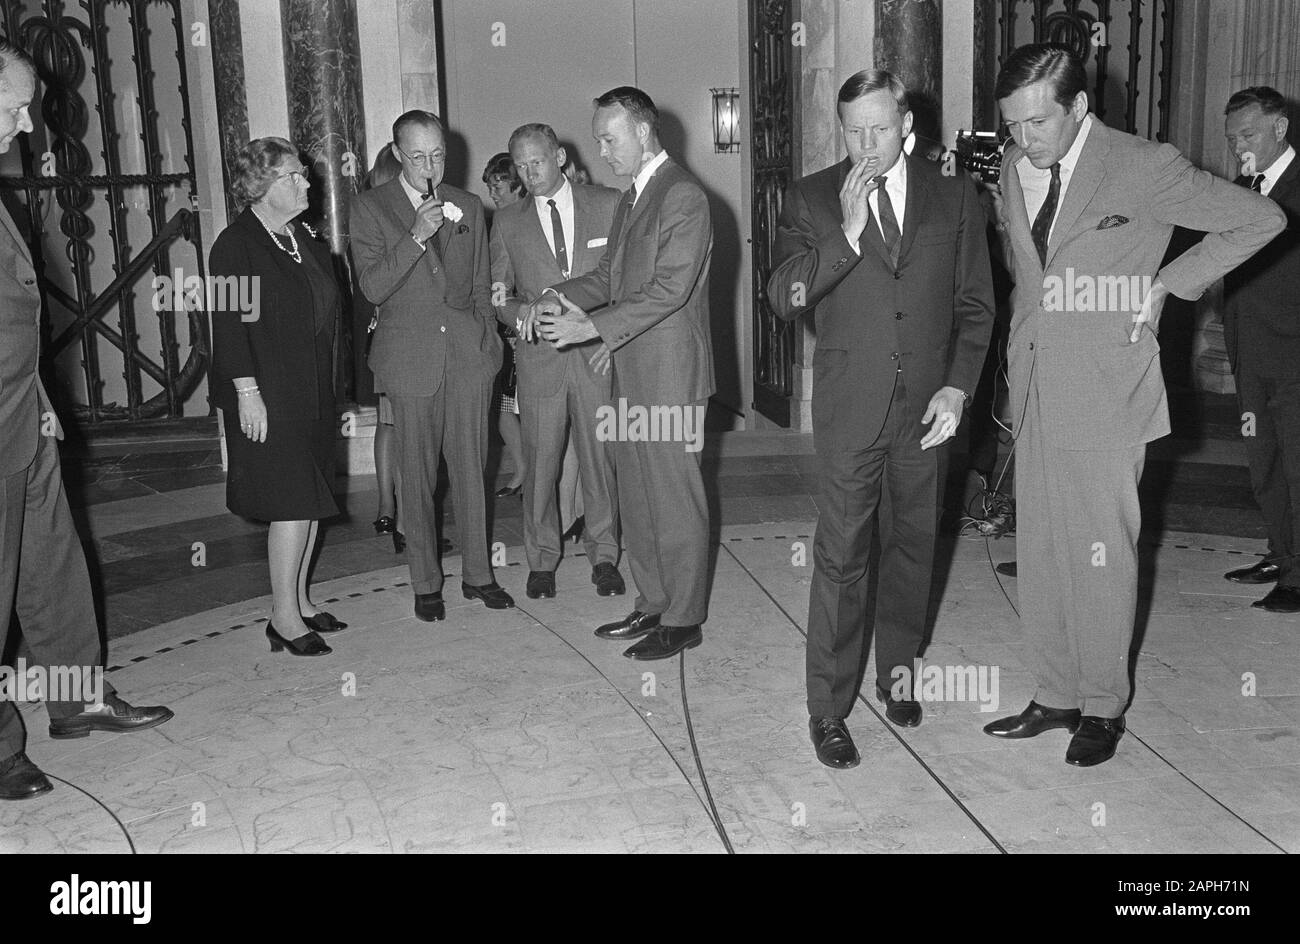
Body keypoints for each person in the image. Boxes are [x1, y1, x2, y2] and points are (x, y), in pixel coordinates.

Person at [980, 44, 1285, 766]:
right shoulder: (1015, 170)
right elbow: (1031, 275)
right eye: (1012, 124)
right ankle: (1054, 691)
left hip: (1107, 384)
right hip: (1035, 380)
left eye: (1038, 122)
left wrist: (1167, 285)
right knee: (1043, 546)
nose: (1025, 139)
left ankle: (1102, 705)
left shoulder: (1144, 165)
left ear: (1080, 107)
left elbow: (1259, 219)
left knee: (1100, 549)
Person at [767, 70, 995, 769]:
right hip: (850, 408)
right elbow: (784, 296)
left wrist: (957, 390)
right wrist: (848, 230)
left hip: (926, 409)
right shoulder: (811, 198)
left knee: (912, 547)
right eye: (853, 130)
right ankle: (829, 710)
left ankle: (897, 677)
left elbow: (976, 307)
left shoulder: (955, 197)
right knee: (841, 558)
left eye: (879, 127)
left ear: (908, 126)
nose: (866, 143)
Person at [0, 39, 172, 800]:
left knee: (54, 569)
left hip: (22, 417)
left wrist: (40, 404)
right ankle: (3, 749)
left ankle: (78, 700)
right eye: (10, 105)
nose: (26, 122)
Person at [529, 86, 714, 660]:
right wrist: (554, 295)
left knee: (674, 497)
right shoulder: (636, 196)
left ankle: (684, 618)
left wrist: (592, 329)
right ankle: (653, 600)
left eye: (608, 138)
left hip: (669, 372)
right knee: (636, 492)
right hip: (631, 367)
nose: (601, 150)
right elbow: (610, 277)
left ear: (641, 131)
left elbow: (669, 288)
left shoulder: (683, 195)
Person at [350, 110, 513, 621]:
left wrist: (489, 349)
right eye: (418, 156)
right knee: (416, 476)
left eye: (438, 154)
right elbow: (372, 287)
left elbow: (483, 286)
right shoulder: (370, 208)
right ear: (397, 154)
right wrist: (416, 236)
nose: (429, 165)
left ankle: (478, 575)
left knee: (472, 470)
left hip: (469, 358)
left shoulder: (468, 204)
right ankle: (425, 581)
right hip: (410, 358)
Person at [210, 137, 348, 657]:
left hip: (310, 389)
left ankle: (302, 601)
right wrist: (247, 392)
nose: (307, 182)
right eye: (296, 175)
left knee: (309, 498)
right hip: (268, 394)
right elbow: (227, 326)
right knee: (291, 501)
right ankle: (283, 618)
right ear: (264, 185)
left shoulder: (302, 237)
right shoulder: (235, 245)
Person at [490, 122, 625, 600]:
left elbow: (624, 283)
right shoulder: (506, 221)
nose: (529, 174)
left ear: (561, 156)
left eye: (537, 162)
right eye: (521, 166)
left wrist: (612, 337)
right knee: (541, 462)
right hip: (539, 359)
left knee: (601, 460)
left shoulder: (609, 205)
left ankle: (604, 555)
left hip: (596, 356)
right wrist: (519, 311)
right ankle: (541, 559)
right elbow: (497, 294)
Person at [1220, 87, 1300, 611]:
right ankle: (1282, 552)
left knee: (1297, 462)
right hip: (1250, 352)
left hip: (1294, 355)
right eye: (1231, 140)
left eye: (1248, 135)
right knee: (1264, 459)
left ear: (1280, 128)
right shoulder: (1241, 187)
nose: (1239, 148)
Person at [364, 144, 407, 554]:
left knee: (387, 421)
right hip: (405, 334)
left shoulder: (366, 209)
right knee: (408, 425)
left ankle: (385, 505)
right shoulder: (397, 212)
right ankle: (408, 520)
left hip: (381, 331)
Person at [481, 152, 528, 498]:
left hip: (526, 327)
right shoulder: (499, 220)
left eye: (498, 186)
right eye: (490, 187)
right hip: (508, 326)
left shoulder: (520, 219)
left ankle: (533, 472)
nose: (493, 194)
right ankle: (525, 468)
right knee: (503, 407)